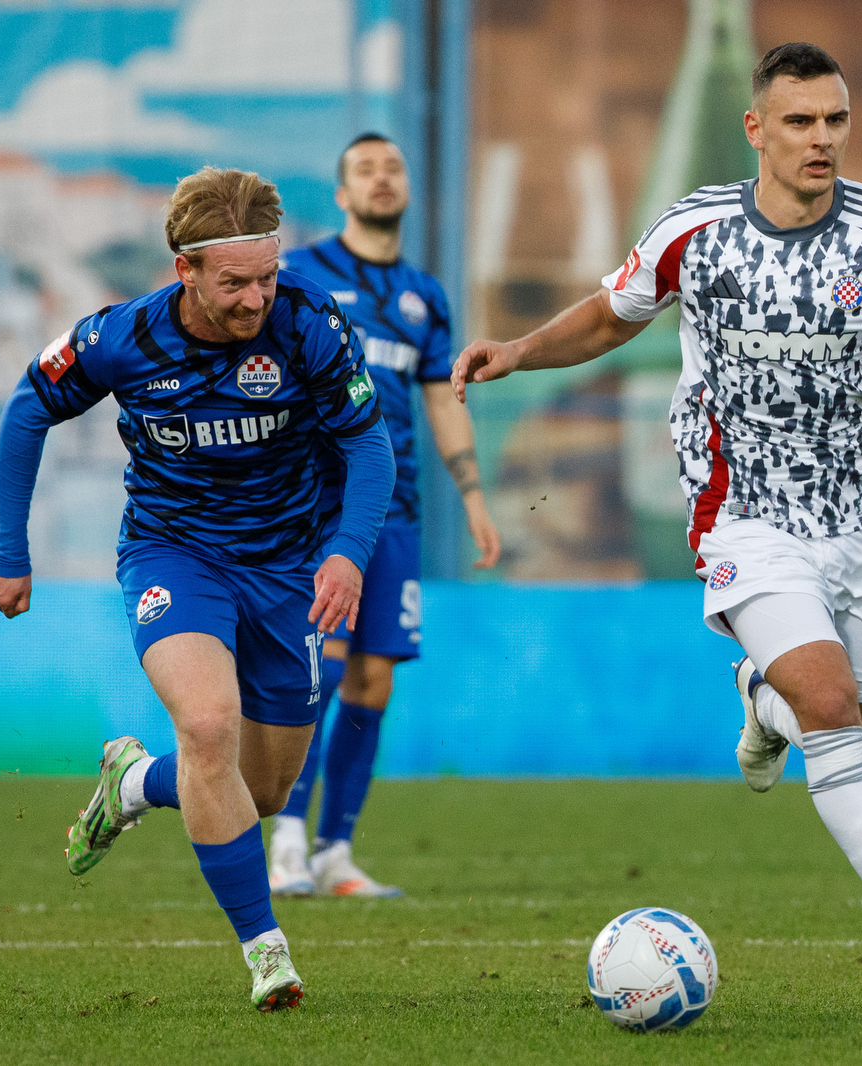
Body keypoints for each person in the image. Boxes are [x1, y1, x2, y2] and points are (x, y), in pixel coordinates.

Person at [453, 42, 862, 1007]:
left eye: (834, 120)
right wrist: (521, 353)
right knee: (830, 712)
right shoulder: (694, 231)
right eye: (799, 121)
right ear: (757, 129)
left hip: (861, 521)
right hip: (743, 509)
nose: (821, 138)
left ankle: (763, 701)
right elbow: (613, 318)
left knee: (860, 751)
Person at [0, 167, 395, 1010]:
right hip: (175, 558)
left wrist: (349, 553)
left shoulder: (310, 324)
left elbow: (368, 444)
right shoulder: (120, 338)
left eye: (267, 276)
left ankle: (134, 783)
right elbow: (30, 408)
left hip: (288, 569)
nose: (255, 300)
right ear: (186, 271)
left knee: (265, 788)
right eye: (235, 283)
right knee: (208, 729)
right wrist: (8, 547)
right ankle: (266, 951)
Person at [269, 133, 501, 898]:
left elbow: (441, 398)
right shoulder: (300, 277)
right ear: (341, 194)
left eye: (393, 167)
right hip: (319, 509)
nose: (380, 178)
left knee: (374, 680)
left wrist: (472, 496)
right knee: (323, 668)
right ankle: (288, 841)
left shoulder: (424, 297)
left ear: (406, 189)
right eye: (364, 169)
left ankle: (337, 852)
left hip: (396, 511)